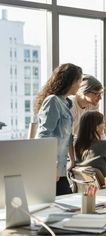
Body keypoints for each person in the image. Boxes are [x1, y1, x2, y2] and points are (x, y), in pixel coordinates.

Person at [34, 63, 83, 195]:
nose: (80, 84)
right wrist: (51, 166)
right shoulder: (53, 101)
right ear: (71, 81)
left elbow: (68, 137)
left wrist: (72, 160)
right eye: (79, 80)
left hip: (61, 168)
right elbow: (43, 137)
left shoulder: (67, 103)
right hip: (50, 168)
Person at [74, 111, 106, 177]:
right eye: (102, 122)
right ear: (96, 127)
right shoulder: (104, 145)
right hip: (104, 186)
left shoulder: (78, 145)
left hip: (89, 186)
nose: (105, 125)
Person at [69, 75, 103, 143]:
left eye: (101, 94)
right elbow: (69, 137)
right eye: (96, 94)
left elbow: (97, 129)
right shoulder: (70, 105)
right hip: (70, 146)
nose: (100, 98)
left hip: (83, 144)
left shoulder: (93, 105)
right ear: (84, 91)